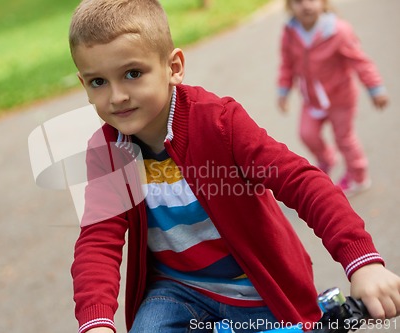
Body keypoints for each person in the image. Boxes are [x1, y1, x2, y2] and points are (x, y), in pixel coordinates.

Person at [68, 0, 400, 332]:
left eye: (132, 74)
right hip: (176, 291)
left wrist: (363, 263)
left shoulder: (219, 123)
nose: (117, 97)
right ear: (84, 86)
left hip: (258, 288)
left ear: (174, 67)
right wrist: (96, 321)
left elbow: (302, 182)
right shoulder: (107, 152)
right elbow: (98, 239)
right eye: (99, 82)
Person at [277, 0, 389, 197]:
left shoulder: (338, 31)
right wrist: (283, 91)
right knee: (307, 134)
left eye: (311, 0)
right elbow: (287, 64)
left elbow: (360, 62)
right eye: (298, 2)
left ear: (323, 2)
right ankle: (327, 159)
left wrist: (375, 88)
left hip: (340, 99)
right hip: (311, 99)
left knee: (344, 139)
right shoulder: (290, 33)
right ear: (289, 6)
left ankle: (359, 176)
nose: (306, 6)